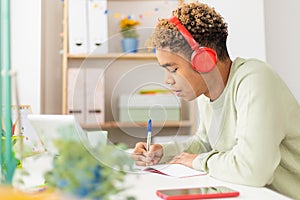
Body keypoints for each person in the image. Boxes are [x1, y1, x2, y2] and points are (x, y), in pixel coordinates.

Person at [131, 2, 300, 199]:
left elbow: (252, 170)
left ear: (203, 60)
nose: (167, 80)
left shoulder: (255, 79)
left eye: (173, 69)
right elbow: (205, 144)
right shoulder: (208, 94)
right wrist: (164, 153)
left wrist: (197, 161)